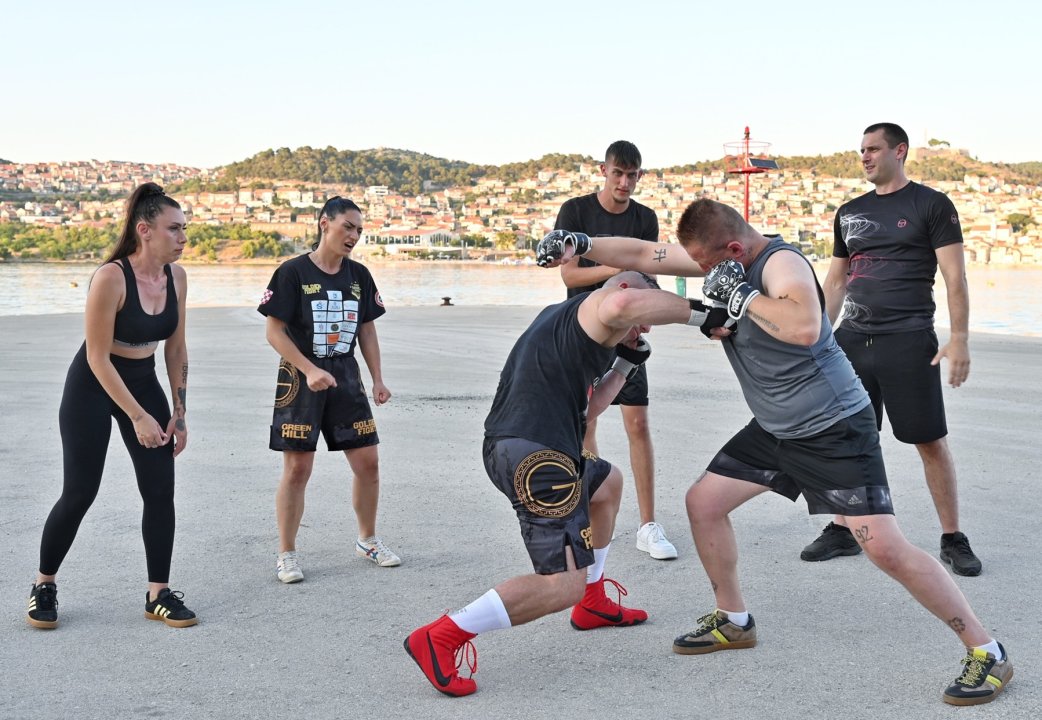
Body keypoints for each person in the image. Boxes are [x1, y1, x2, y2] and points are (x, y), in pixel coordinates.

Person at [536, 200, 1012, 706]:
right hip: (775, 429)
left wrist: (741, 296)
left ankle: (988, 651)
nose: (698, 272)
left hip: (834, 430)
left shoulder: (780, 265)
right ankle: (734, 619)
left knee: (885, 549)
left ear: (735, 250)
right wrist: (580, 244)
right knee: (704, 503)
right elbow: (640, 253)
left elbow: (805, 325)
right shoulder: (719, 259)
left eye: (706, 265)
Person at [404, 271, 730, 697]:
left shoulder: (567, 322)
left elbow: (588, 408)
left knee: (607, 482)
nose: (646, 325)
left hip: (534, 447)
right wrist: (707, 316)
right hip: (537, 459)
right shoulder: (601, 306)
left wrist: (627, 363)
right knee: (561, 585)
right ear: (627, 292)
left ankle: (592, 600)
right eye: (648, 310)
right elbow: (621, 305)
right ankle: (442, 635)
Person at [801, 122, 981, 576]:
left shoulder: (931, 204)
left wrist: (958, 338)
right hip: (850, 343)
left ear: (900, 151)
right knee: (848, 436)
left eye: (874, 149)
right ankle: (844, 528)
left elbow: (954, 277)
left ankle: (952, 537)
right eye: (861, 150)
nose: (865, 156)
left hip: (908, 339)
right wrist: (815, 335)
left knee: (928, 440)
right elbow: (837, 281)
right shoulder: (848, 211)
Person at [28, 182, 196, 629]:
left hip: (143, 381)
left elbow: (175, 350)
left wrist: (178, 412)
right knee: (80, 491)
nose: (183, 237)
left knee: (160, 489)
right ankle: (44, 584)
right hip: (93, 384)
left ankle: (158, 595)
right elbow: (98, 358)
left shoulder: (177, 278)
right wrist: (138, 415)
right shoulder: (110, 277)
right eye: (174, 228)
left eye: (185, 228)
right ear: (145, 230)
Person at [258, 196, 398, 583]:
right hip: (300, 378)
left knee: (368, 463)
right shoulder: (292, 272)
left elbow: (367, 328)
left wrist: (377, 379)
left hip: (346, 377)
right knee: (298, 467)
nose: (354, 236)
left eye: (359, 230)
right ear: (325, 223)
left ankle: (367, 540)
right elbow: (274, 330)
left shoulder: (359, 276)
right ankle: (287, 553)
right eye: (347, 227)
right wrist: (308, 369)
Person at [556, 140, 676, 560]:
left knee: (638, 424)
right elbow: (569, 276)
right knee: (586, 423)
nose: (624, 182)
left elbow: (652, 270)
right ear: (603, 171)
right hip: (581, 331)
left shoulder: (645, 217)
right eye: (617, 174)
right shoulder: (576, 211)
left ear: (639, 176)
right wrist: (620, 269)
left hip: (625, 329)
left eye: (632, 175)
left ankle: (648, 525)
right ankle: (590, 513)